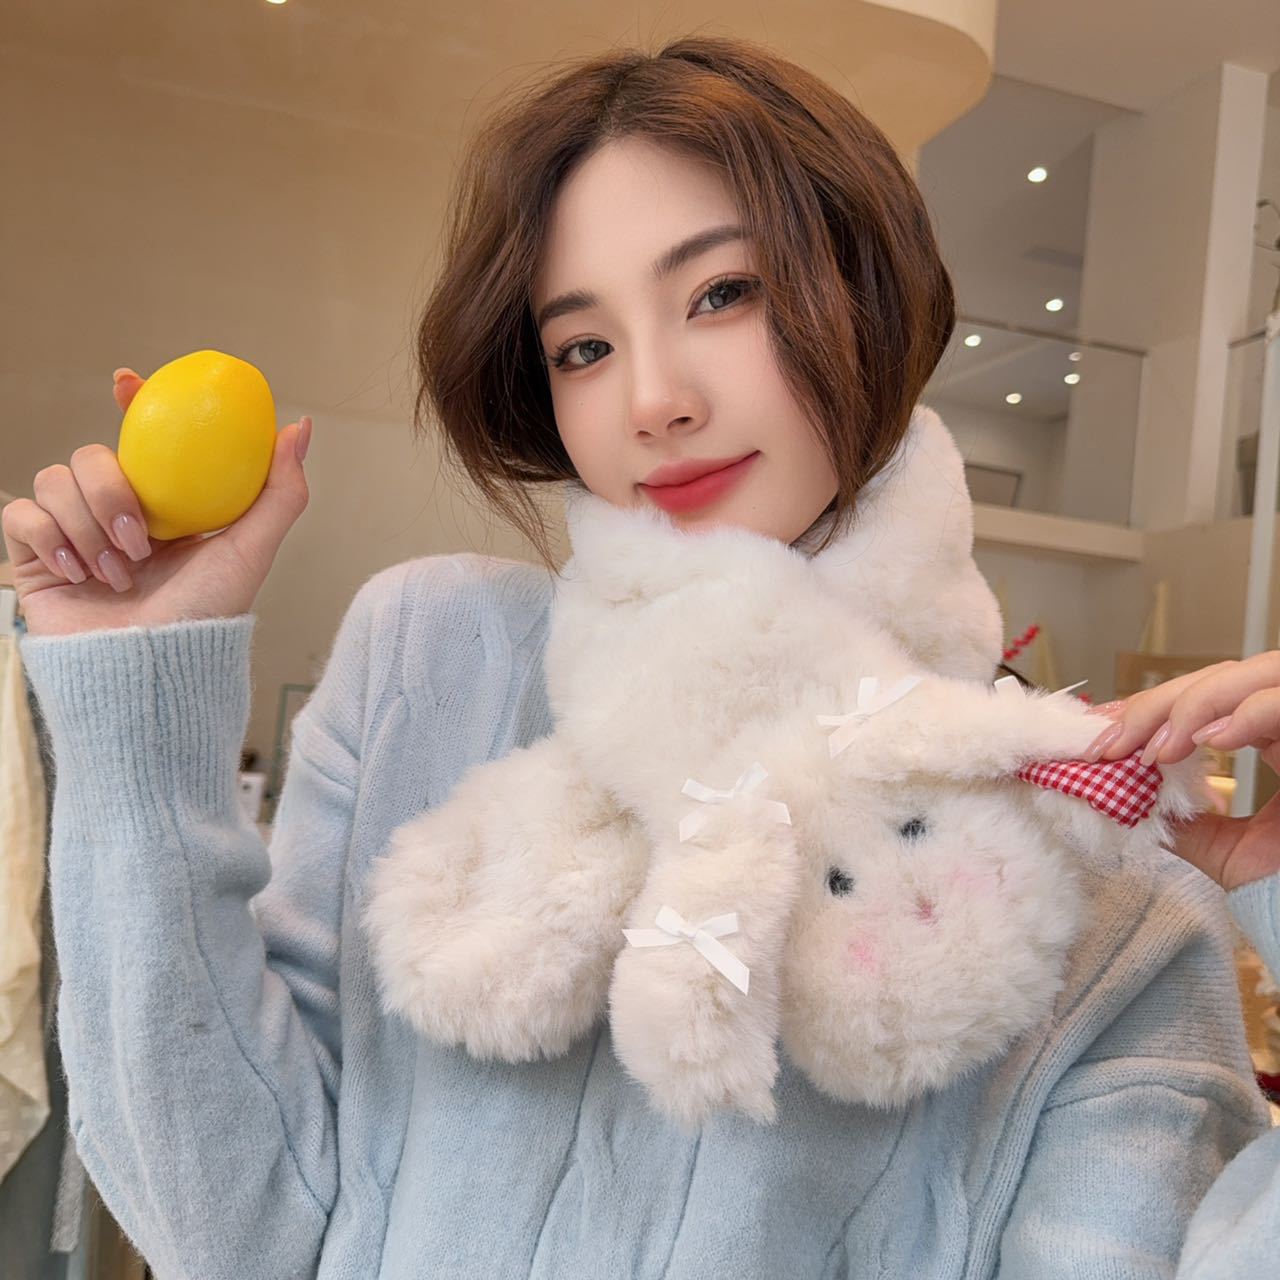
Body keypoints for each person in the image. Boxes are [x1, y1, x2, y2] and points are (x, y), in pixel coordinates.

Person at [2, 32, 1276, 1279]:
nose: (652, 399)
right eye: (583, 346)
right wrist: (139, 715)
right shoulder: (429, 664)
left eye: (723, 293)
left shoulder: (1090, 877)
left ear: (869, 295)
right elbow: (231, 1233)